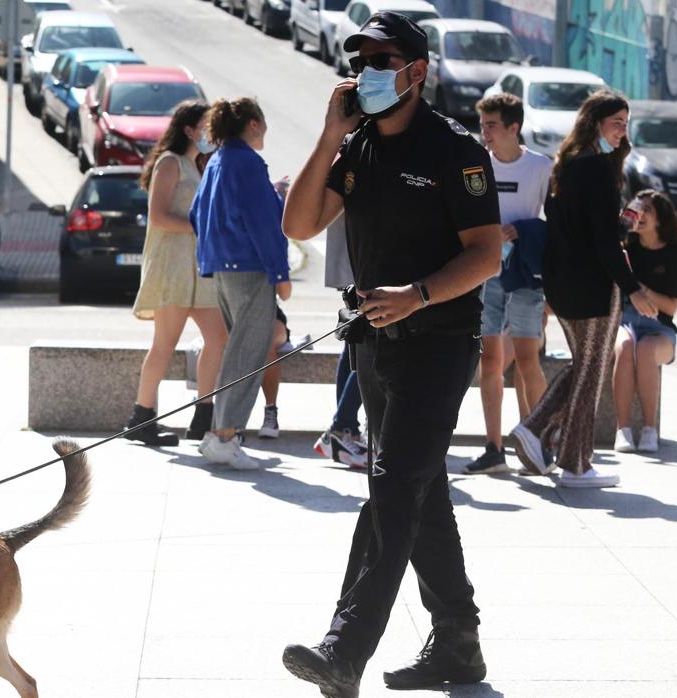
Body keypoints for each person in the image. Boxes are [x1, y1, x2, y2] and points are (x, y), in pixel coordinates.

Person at [279, 13, 502, 696]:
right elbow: (298, 223)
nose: (369, 70)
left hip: (436, 345)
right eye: (363, 58)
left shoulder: (454, 149)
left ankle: (343, 651)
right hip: (373, 347)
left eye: (383, 58)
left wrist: (419, 294)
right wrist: (327, 138)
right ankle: (457, 647)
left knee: (392, 492)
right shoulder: (361, 145)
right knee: (421, 492)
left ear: (416, 70)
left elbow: (486, 255)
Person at [509, 90, 659, 488]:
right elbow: (602, 243)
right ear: (595, 121)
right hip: (591, 285)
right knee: (591, 368)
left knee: (586, 366)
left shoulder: (569, 162)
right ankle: (569, 458)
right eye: (616, 122)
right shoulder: (595, 168)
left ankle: (556, 444)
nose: (622, 130)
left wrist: (619, 222)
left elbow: (581, 228)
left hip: (563, 281)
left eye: (626, 123)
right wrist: (633, 289)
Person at [190, 97, 292, 471]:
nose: (264, 131)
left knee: (240, 351)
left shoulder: (217, 160)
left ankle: (220, 432)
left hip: (222, 268)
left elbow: (196, 213)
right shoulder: (248, 162)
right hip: (249, 269)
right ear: (252, 123)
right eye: (263, 123)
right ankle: (224, 436)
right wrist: (280, 274)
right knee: (247, 356)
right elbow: (264, 225)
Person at [126, 100, 228, 446]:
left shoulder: (199, 164)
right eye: (206, 125)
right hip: (172, 266)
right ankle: (141, 417)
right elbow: (158, 217)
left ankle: (203, 414)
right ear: (188, 129)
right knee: (164, 345)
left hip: (198, 268)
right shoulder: (170, 163)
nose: (211, 133)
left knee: (219, 339)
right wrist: (202, 227)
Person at [464, 93, 552, 474]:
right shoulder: (477, 165)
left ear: (514, 127)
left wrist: (525, 232)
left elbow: (557, 225)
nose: (484, 133)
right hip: (486, 272)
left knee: (529, 360)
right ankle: (493, 447)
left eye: (492, 125)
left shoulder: (541, 167)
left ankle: (539, 443)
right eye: (482, 125)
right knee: (489, 361)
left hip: (527, 274)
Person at [613, 189, 677, 453]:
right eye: (637, 208)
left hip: (660, 328)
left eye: (648, 210)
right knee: (625, 349)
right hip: (625, 322)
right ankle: (622, 430)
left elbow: (670, 307)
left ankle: (648, 429)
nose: (640, 215)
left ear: (660, 219)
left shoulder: (675, 253)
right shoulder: (625, 246)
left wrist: (639, 289)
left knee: (645, 350)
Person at [314, 216, 369, 469]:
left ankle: (344, 429)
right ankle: (342, 428)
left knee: (356, 341)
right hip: (372, 252)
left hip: (358, 250)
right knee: (368, 343)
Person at [258, 304, 295, 439]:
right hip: (234, 312)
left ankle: (270, 410)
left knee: (266, 341)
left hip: (269, 315)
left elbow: (285, 293)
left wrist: (275, 281)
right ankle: (224, 417)